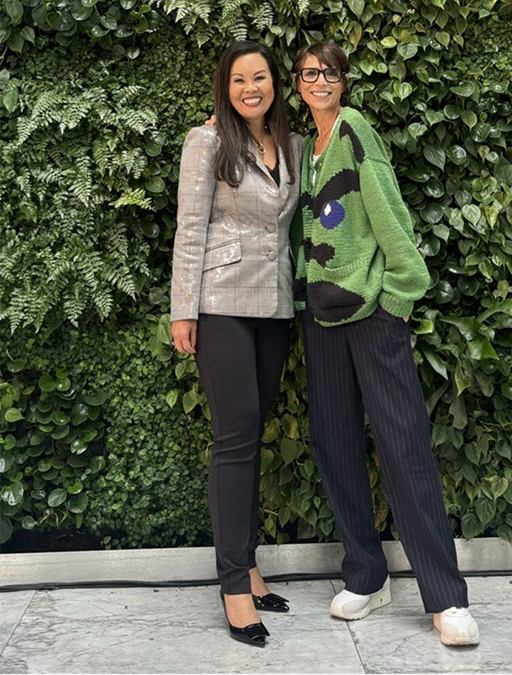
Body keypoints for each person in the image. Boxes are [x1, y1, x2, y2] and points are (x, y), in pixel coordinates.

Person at [291, 41, 480, 646]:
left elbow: (388, 213)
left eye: (328, 72)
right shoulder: (306, 152)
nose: (318, 81)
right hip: (320, 320)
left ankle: (446, 599)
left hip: (372, 314)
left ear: (343, 80)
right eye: (308, 73)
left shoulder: (355, 132)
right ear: (298, 84)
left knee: (403, 446)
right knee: (336, 443)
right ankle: (367, 576)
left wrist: (399, 296)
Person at [170, 40, 303, 647]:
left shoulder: (293, 146)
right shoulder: (207, 142)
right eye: (239, 80)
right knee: (234, 434)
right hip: (220, 302)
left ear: (275, 83)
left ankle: (248, 566)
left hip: (274, 304)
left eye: (261, 77)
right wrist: (182, 311)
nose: (252, 88)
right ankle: (231, 585)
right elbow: (191, 227)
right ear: (225, 87)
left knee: (251, 435)